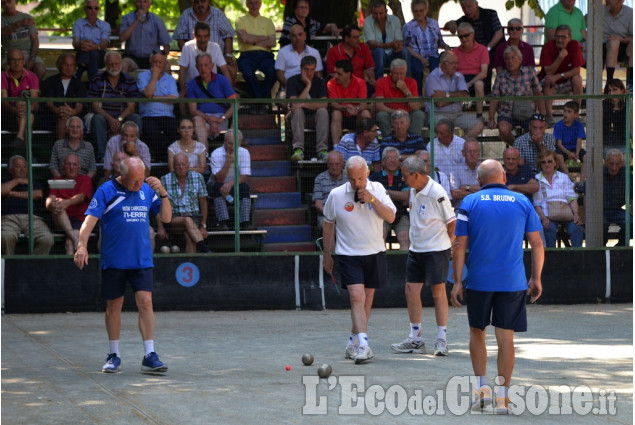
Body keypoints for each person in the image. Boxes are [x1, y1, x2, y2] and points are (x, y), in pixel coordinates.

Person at [451, 159, 544, 414]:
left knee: (477, 331)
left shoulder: (469, 202)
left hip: (479, 281)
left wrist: (458, 281)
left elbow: (459, 245)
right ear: (503, 176)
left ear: (480, 181)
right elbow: (537, 243)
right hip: (512, 281)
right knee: (506, 337)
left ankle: (482, 391)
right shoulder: (522, 201)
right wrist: (536, 277)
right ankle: (503, 397)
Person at [74, 156, 171, 374]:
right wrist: (82, 246)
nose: (139, 184)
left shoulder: (146, 190)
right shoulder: (107, 191)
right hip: (115, 261)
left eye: (142, 179)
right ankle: (113, 354)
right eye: (135, 181)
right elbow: (89, 221)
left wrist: (162, 192)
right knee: (113, 307)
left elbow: (166, 218)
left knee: (146, 302)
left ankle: (150, 355)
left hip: (141, 260)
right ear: (122, 175)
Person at [322, 155, 396, 364]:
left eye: (361, 179)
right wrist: (327, 255)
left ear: (367, 174)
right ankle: (364, 345)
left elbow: (390, 217)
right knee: (356, 297)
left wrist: (372, 199)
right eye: (353, 179)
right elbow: (328, 224)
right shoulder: (336, 195)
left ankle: (353, 341)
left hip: (374, 253)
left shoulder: (378, 190)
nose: (357, 184)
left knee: (367, 300)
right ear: (347, 176)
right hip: (348, 255)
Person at [391, 155, 455, 356]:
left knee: (438, 293)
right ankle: (416, 339)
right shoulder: (413, 190)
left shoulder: (437, 193)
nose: (403, 179)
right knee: (411, 291)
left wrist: (447, 245)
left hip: (436, 251)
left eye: (405, 175)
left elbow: (452, 223)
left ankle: (442, 340)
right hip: (416, 250)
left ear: (416, 174)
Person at [87, 51, 142, 161]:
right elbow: (95, 106)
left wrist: (119, 119)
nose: (114, 67)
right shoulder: (97, 79)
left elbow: (131, 106)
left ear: (121, 64)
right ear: (106, 65)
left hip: (123, 116)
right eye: (110, 64)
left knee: (136, 118)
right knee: (97, 119)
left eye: (116, 63)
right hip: (104, 117)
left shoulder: (129, 80)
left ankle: (132, 153)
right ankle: (102, 156)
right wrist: (111, 120)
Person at [444, 0, 504, 94]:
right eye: (464, 8)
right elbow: (446, 26)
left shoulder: (490, 14)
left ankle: (488, 95)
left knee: (486, 65)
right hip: (475, 53)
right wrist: (451, 23)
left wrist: (487, 48)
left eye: (469, 6)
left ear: (476, 4)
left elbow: (499, 33)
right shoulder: (463, 20)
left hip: (493, 51)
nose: (467, 10)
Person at [488, 46, 543, 146]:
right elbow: (494, 98)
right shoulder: (500, 76)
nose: (510, 61)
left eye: (513, 58)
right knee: (503, 131)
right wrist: (491, 118)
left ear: (520, 60)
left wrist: (543, 115)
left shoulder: (530, 72)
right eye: (507, 59)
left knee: (537, 134)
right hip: (507, 113)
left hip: (527, 113)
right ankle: (518, 148)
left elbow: (539, 93)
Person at [424, 51, 484, 141]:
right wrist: (457, 96)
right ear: (443, 63)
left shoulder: (458, 76)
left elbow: (465, 96)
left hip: (458, 114)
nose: (456, 66)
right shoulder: (432, 77)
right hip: (437, 115)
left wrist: (446, 94)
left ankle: (461, 149)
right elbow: (439, 103)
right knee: (445, 127)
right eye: (453, 63)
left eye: (457, 63)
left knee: (478, 125)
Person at [1, 155, 54, 255]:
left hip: (33, 218)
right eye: (18, 166)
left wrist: (12, 193)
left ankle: (35, 266)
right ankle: (8, 266)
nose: (22, 169)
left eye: (24, 166)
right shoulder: (4, 181)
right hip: (8, 218)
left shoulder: (33, 182)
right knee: (5, 237)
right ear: (10, 169)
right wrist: (17, 181)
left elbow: (38, 194)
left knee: (47, 239)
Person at [157, 153, 209, 253]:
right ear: (173, 165)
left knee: (189, 235)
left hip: (195, 217)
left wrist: (203, 225)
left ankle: (190, 264)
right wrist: (160, 227)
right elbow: (158, 206)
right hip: (173, 218)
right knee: (187, 220)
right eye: (178, 164)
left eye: (183, 164)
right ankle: (204, 249)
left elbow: (203, 203)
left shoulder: (198, 178)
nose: (181, 167)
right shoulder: (164, 180)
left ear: (188, 165)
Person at [172, 0, 237, 81]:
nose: (200, 4)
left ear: (208, 1)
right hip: (195, 58)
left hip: (217, 56)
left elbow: (228, 35)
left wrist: (228, 55)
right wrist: (188, 56)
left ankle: (229, 92)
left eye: (202, 1)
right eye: (197, 2)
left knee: (231, 69)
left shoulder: (217, 14)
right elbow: (180, 38)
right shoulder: (186, 14)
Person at [533, 149, 583, 247]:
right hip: (547, 215)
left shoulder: (563, 177)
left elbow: (572, 198)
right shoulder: (536, 178)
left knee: (577, 227)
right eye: (543, 162)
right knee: (548, 228)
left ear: (555, 163)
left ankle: (577, 256)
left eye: (550, 161)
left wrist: (576, 214)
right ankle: (551, 258)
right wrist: (543, 218)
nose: (547, 164)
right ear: (540, 164)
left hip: (566, 214)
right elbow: (537, 203)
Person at [46, 153, 93, 255]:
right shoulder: (57, 181)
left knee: (69, 244)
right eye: (68, 164)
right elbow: (50, 198)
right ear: (63, 167)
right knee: (58, 205)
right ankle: (75, 239)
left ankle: (72, 269)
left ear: (79, 167)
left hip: (79, 220)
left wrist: (66, 202)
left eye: (74, 164)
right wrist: (51, 204)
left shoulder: (85, 179)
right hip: (60, 220)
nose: (71, 168)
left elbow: (81, 197)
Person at [538, 25, 584, 125]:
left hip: (565, 81)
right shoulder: (547, 47)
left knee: (578, 79)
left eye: (563, 37)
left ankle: (576, 114)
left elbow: (576, 71)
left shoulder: (574, 45)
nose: (559, 40)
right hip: (548, 83)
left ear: (570, 37)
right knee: (549, 79)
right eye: (557, 36)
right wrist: (560, 58)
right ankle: (549, 116)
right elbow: (548, 72)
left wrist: (559, 76)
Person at [137, 50, 179, 161]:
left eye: (160, 62)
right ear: (150, 63)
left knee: (173, 131)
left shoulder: (170, 79)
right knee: (151, 131)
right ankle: (163, 159)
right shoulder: (143, 76)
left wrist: (153, 98)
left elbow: (174, 98)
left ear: (165, 64)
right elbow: (148, 93)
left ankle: (167, 158)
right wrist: (154, 76)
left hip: (167, 116)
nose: (157, 65)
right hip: (149, 115)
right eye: (155, 62)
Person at [187, 53, 236, 146]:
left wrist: (220, 119)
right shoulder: (192, 84)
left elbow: (235, 104)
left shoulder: (222, 80)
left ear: (212, 66)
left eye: (206, 65)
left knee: (201, 131)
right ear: (196, 67)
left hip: (222, 117)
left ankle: (203, 155)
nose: (203, 68)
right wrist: (209, 119)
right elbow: (193, 110)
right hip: (203, 118)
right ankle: (204, 155)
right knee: (197, 119)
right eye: (200, 65)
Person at [402, 0, 450, 96]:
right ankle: (418, 98)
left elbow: (440, 41)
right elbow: (406, 47)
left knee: (437, 71)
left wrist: (446, 47)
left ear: (426, 10)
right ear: (412, 11)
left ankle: (435, 98)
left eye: (421, 10)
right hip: (416, 56)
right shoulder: (408, 26)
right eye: (416, 11)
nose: (419, 13)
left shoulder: (434, 24)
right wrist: (421, 58)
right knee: (417, 71)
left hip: (433, 55)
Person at [286, 55, 329, 162]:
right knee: (298, 111)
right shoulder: (292, 81)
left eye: (312, 70)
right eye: (306, 69)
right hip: (295, 116)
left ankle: (322, 151)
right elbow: (295, 105)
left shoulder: (321, 82)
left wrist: (304, 104)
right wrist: (308, 85)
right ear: (301, 69)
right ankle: (298, 149)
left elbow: (324, 104)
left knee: (323, 111)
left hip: (314, 116)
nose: (309, 73)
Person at [235, 0, 276, 110]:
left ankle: (258, 102)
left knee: (273, 72)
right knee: (248, 73)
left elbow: (272, 42)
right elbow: (245, 38)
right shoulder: (240, 20)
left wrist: (252, 41)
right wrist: (264, 38)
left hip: (265, 56)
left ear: (261, 3)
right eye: (251, 3)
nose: (254, 5)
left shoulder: (268, 21)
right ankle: (262, 102)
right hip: (247, 55)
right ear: (247, 4)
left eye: (256, 2)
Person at [209, 130, 252, 230]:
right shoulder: (216, 153)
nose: (232, 147)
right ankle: (223, 222)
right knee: (217, 187)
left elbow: (244, 176)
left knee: (245, 187)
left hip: (234, 185)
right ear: (224, 142)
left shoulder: (244, 152)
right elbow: (218, 179)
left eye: (235, 144)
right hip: (217, 185)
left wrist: (230, 184)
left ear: (240, 143)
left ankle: (245, 222)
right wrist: (228, 162)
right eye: (229, 143)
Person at [369, 147, 410, 249]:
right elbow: (371, 197)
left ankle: (403, 264)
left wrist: (383, 192)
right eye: (388, 158)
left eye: (395, 158)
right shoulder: (375, 177)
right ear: (383, 161)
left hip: (401, 214)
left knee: (405, 238)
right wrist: (397, 195)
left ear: (399, 161)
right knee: (379, 237)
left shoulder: (404, 176)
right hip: (380, 214)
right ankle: (382, 264)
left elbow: (405, 197)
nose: (392, 161)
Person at [40, 53, 87, 141]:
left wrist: (73, 111)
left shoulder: (79, 84)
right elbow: (49, 103)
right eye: (66, 64)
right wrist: (57, 110)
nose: (69, 68)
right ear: (59, 65)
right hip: (52, 117)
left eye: (71, 65)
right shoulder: (49, 81)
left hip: (74, 116)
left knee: (74, 121)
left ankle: (78, 152)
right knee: (63, 116)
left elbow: (80, 105)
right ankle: (60, 148)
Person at [178, 22, 233, 95]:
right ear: (194, 36)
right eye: (200, 36)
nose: (203, 40)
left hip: (212, 86)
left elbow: (225, 69)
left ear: (209, 36)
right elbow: (182, 70)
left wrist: (231, 92)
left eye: (205, 36)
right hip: (192, 86)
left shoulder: (215, 47)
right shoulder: (187, 47)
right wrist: (182, 89)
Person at [374, 59, 423, 138]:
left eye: (401, 74)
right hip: (390, 114)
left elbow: (416, 106)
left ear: (406, 73)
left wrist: (406, 90)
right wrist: (395, 112)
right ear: (391, 72)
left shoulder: (412, 82)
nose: (399, 77)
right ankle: (389, 142)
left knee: (419, 114)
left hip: (407, 115)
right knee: (381, 115)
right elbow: (379, 105)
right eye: (396, 74)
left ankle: (414, 141)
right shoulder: (381, 82)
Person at [1, 48, 38, 151]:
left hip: (26, 112)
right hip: (8, 114)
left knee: (27, 114)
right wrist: (15, 109)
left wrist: (26, 108)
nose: (17, 63)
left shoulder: (32, 76)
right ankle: (28, 153)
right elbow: (4, 102)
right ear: (8, 62)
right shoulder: (2, 77)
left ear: (24, 61)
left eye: (19, 59)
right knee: (27, 115)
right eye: (13, 60)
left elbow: (34, 101)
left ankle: (20, 137)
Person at [363, 0, 409, 82]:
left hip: (393, 53)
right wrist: (390, 44)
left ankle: (408, 81)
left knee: (405, 51)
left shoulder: (395, 20)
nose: (378, 17)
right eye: (375, 14)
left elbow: (398, 40)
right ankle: (379, 83)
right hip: (377, 56)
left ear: (386, 11)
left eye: (381, 13)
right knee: (379, 51)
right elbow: (371, 44)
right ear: (371, 12)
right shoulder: (367, 21)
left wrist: (398, 45)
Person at [327, 59, 371, 145]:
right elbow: (333, 104)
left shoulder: (360, 82)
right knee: (336, 113)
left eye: (339, 74)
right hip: (341, 114)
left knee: (365, 113)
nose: (335, 76)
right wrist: (345, 107)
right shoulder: (331, 83)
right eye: (335, 72)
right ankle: (337, 147)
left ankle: (368, 145)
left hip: (356, 115)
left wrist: (356, 109)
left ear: (349, 74)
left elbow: (363, 104)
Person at [119, 0, 171, 73]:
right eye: (139, 2)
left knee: (166, 66)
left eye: (145, 2)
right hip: (132, 57)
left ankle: (166, 84)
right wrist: (137, 21)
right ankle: (123, 84)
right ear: (135, 4)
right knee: (123, 64)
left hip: (152, 57)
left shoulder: (157, 20)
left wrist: (163, 58)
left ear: (149, 4)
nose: (142, 5)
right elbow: (122, 38)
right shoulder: (127, 18)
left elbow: (166, 45)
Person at [1, 0, 45, 80]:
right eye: (3, 3)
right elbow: (2, 32)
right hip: (9, 54)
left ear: (14, 1)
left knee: (40, 69)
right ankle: (13, 91)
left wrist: (32, 58)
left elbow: (35, 41)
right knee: (6, 69)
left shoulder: (27, 17)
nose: (7, 5)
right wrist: (19, 24)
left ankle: (34, 90)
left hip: (28, 53)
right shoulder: (1, 19)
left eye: (9, 2)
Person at [326, 24, 376, 95]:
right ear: (346, 38)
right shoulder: (333, 51)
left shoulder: (363, 48)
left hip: (360, 86)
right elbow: (333, 76)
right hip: (341, 87)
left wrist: (372, 79)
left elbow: (369, 68)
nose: (358, 39)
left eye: (359, 36)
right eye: (355, 37)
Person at [453, 22, 488, 119]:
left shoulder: (482, 49)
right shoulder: (454, 52)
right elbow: (450, 71)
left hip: (476, 79)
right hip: (459, 78)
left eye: (466, 35)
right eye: (461, 37)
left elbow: (484, 73)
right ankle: (455, 114)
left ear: (472, 34)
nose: (464, 39)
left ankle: (479, 115)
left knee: (479, 84)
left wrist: (468, 84)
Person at [274, 24, 323, 89]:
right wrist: (291, 88)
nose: (297, 38)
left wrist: (311, 88)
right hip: (288, 89)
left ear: (305, 35)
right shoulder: (282, 52)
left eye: (300, 35)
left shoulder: (314, 52)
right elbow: (279, 75)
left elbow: (318, 74)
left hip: (310, 89)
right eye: (294, 36)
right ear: (290, 37)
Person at [72, 0, 110, 80]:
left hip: (99, 57)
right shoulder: (78, 23)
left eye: (96, 8)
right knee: (91, 53)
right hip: (82, 53)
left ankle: (80, 71)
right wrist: (82, 45)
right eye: (90, 8)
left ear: (99, 10)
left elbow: (104, 43)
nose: (93, 11)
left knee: (94, 53)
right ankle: (93, 83)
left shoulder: (105, 25)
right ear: (84, 9)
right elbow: (75, 42)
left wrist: (95, 47)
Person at [603, 149, 633, 246]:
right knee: (600, 224)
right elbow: (586, 192)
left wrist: (632, 211)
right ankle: (601, 250)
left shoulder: (626, 174)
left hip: (617, 211)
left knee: (631, 222)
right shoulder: (598, 173)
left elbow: (633, 194)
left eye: (617, 164)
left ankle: (619, 248)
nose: (614, 167)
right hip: (601, 211)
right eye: (611, 163)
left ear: (621, 164)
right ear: (606, 163)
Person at [312, 150, 347, 231]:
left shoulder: (349, 178)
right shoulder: (320, 179)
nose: (334, 167)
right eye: (331, 164)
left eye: (337, 164)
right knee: (330, 227)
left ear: (342, 164)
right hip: (326, 215)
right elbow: (318, 204)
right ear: (327, 164)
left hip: (347, 213)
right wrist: (331, 215)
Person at [603, 0, 633, 90]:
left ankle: (631, 81)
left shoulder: (630, 13)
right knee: (614, 43)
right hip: (603, 47)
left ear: (620, 1)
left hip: (624, 48)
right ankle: (609, 82)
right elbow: (583, 22)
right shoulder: (599, 11)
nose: (607, 1)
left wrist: (622, 39)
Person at [554, 100, 586, 181]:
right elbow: (559, 144)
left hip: (575, 149)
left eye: (569, 111)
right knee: (559, 157)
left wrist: (577, 154)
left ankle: (582, 181)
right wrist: (568, 153)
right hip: (563, 149)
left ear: (576, 115)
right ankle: (569, 180)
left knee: (586, 157)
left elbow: (579, 141)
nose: (565, 114)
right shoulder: (558, 125)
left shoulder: (579, 125)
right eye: (564, 111)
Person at [450, 140, 481, 206]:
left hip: (479, 209)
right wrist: (479, 193)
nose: (472, 154)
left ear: (479, 153)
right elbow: (454, 194)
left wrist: (467, 187)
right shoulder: (455, 170)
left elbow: (488, 190)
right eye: (469, 151)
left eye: (475, 151)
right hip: (461, 209)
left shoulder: (484, 168)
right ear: (463, 153)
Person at [603, 78, 629, 156]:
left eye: (615, 90)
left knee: (624, 161)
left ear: (622, 90)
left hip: (623, 144)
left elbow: (631, 127)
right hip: (607, 144)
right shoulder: (603, 105)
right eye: (609, 91)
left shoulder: (628, 106)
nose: (611, 93)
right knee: (612, 160)